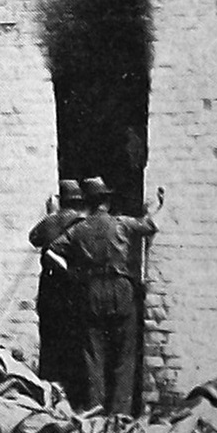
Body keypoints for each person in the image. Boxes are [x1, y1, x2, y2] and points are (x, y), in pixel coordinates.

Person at [49, 177, 160, 416]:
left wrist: (72, 273)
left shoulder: (77, 229)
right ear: (106, 202)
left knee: (93, 355)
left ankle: (94, 415)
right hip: (121, 289)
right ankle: (120, 416)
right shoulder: (121, 223)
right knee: (124, 355)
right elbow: (150, 226)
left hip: (91, 290)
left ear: (87, 203)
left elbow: (51, 250)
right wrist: (154, 207)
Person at [27, 179, 88, 402]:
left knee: (50, 342)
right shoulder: (82, 222)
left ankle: (50, 391)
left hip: (49, 290)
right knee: (73, 342)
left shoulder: (51, 221)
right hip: (73, 289)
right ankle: (73, 394)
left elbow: (33, 239)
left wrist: (50, 216)